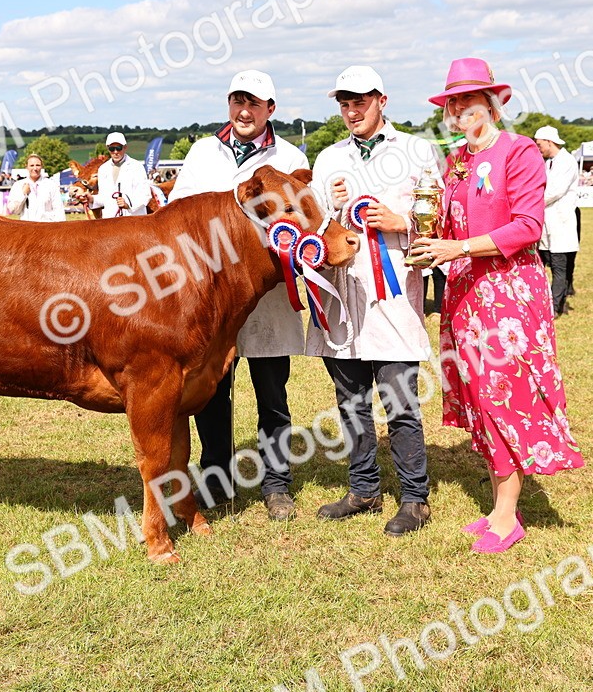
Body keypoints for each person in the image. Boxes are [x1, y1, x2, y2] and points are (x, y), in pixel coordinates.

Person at [411, 57, 584, 554]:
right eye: (452, 102)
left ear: (493, 103)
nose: (460, 109)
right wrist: (414, 230)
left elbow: (529, 226)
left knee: (504, 396)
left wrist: (459, 248)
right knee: (479, 399)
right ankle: (499, 507)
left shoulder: (520, 151)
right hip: (464, 292)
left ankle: (508, 517)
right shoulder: (455, 161)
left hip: (509, 292)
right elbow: (442, 224)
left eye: (468, 100)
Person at [167, 69, 309, 521]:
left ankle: (277, 484)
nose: (244, 111)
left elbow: (304, 218)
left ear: (271, 109)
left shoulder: (288, 156)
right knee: (210, 393)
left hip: (266, 296)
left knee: (272, 394)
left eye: (254, 103)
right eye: (237, 101)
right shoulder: (203, 152)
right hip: (210, 300)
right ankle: (216, 480)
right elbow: (178, 216)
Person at [307, 66, 440, 537]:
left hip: (395, 296)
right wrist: (329, 203)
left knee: (400, 401)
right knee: (350, 402)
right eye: (344, 102)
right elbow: (311, 230)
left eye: (359, 100)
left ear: (382, 99)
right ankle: (363, 488)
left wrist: (401, 220)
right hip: (343, 298)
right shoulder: (328, 158)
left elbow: (438, 220)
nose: (351, 110)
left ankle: (415, 498)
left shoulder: (417, 151)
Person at [535, 125, 579, 317]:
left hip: (560, 222)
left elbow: (554, 191)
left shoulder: (567, 161)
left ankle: (555, 307)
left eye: (539, 144)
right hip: (546, 222)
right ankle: (545, 302)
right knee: (543, 264)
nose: (538, 148)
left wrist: (532, 203)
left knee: (559, 267)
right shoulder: (549, 163)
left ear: (549, 141)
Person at [84, 132, 149, 217]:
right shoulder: (103, 169)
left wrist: (128, 205)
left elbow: (145, 194)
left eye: (118, 148)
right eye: (112, 149)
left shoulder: (137, 167)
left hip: (133, 220)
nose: (115, 152)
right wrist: (92, 199)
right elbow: (104, 198)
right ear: (108, 149)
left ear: (125, 147)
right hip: (111, 221)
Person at [6, 154, 64, 222]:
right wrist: (23, 194)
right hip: (27, 227)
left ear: (41, 166)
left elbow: (59, 210)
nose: (35, 168)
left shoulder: (51, 185)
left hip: (47, 228)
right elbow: (12, 209)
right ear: (26, 167)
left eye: (38, 165)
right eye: (32, 165)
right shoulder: (18, 185)